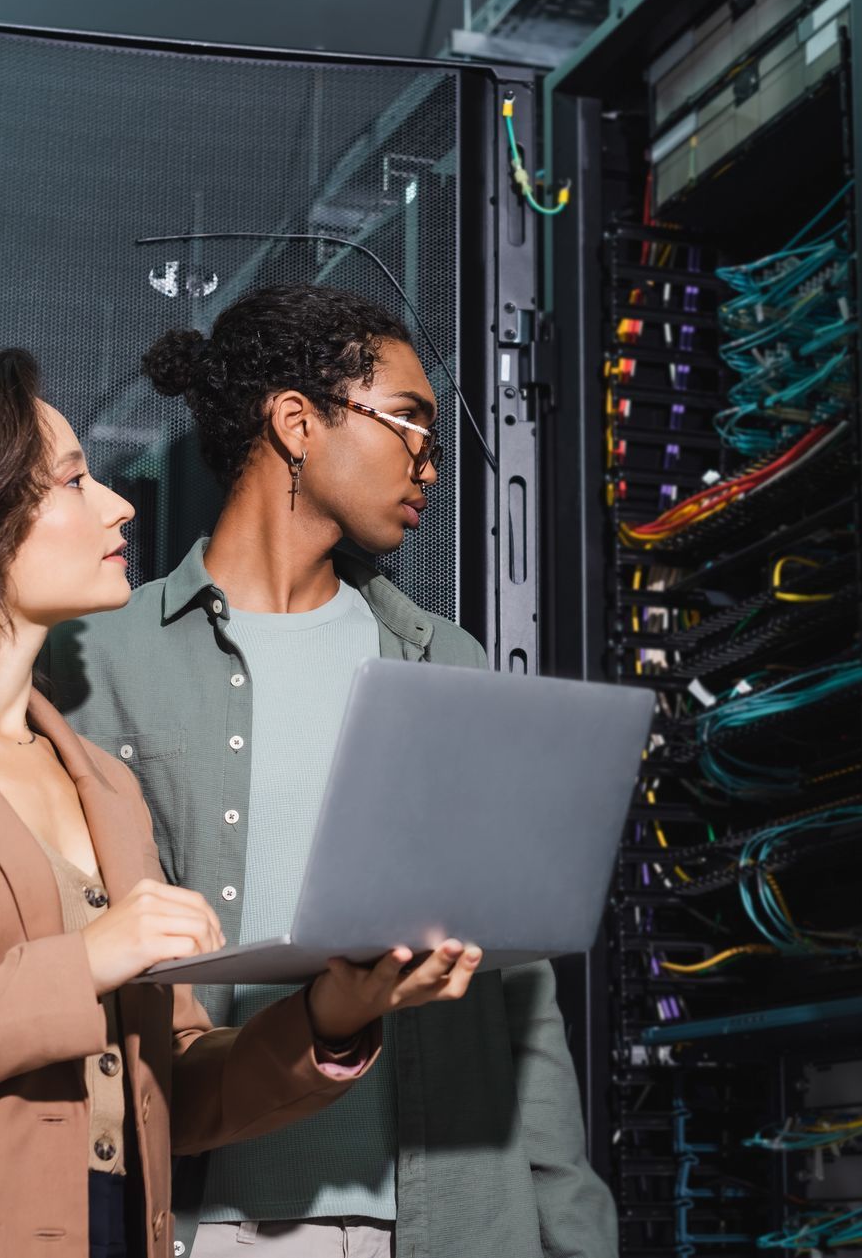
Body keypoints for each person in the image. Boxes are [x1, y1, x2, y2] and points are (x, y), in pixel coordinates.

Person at [0, 350, 483, 1258]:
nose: (119, 503)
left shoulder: (103, 786)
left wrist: (332, 1018)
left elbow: (176, 1090)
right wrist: (79, 966)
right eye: (75, 480)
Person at [44, 285, 615, 1258]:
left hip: (448, 1220)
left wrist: (573, 1231)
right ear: (297, 422)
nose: (426, 461)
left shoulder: (446, 663)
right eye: (407, 423)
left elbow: (522, 998)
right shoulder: (99, 661)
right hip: (212, 1225)